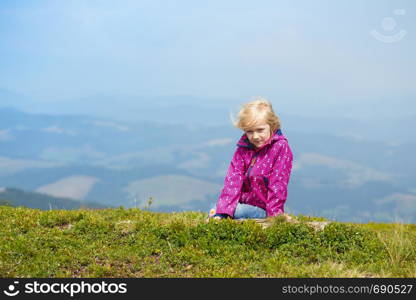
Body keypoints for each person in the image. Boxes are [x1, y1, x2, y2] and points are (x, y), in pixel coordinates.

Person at [208, 98, 293, 220]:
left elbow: (278, 184)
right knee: (218, 208)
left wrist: (274, 215)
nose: (255, 136)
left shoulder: (280, 148)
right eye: (249, 131)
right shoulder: (243, 149)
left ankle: (224, 216)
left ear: (272, 126)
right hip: (243, 204)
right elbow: (233, 180)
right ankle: (223, 215)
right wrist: (224, 210)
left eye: (260, 130)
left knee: (229, 211)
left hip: (264, 209)